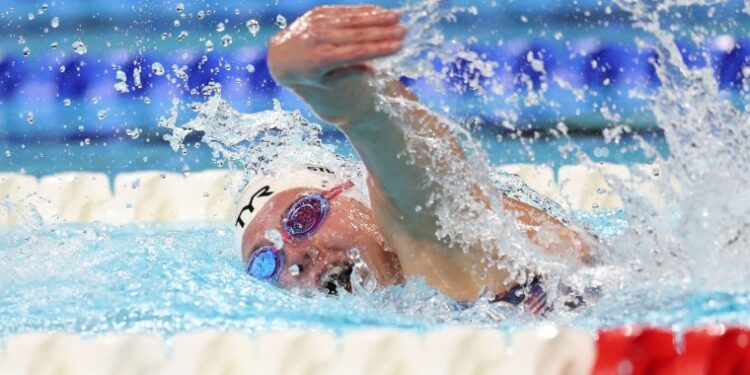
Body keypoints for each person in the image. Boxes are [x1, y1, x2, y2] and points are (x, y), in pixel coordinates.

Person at [234, 5, 592, 313]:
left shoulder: (434, 231)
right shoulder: (410, 300)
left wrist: (313, 78)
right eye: (266, 261)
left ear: (349, 193)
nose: (295, 258)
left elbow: (380, 129)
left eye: (303, 216)